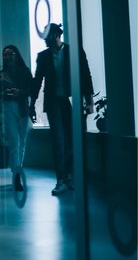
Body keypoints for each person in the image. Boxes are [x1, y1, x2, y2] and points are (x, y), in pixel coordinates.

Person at [30, 23, 94, 196]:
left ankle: (70, 177)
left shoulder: (75, 52)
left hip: (72, 101)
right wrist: (32, 105)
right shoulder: (43, 56)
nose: (44, 40)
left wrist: (90, 103)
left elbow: (86, 76)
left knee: (72, 141)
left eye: (47, 36)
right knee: (58, 141)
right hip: (54, 103)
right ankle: (61, 180)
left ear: (57, 35)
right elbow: (37, 82)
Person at [0, 45, 33, 191]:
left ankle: (17, 171)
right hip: (8, 107)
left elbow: (32, 89)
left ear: (16, 56)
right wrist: (5, 92)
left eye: (10, 54)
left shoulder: (24, 71)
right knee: (13, 142)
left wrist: (21, 92)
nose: (7, 58)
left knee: (22, 143)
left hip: (22, 107)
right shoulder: (1, 74)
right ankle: (16, 176)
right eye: (5, 56)